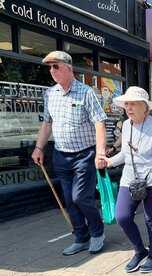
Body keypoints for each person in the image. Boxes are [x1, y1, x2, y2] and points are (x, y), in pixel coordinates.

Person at [31, 51, 107, 256]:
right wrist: (39, 148)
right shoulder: (50, 94)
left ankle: (97, 232)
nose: (52, 71)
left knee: (81, 196)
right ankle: (81, 238)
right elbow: (47, 123)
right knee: (69, 199)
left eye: (56, 66)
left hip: (85, 155)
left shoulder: (86, 92)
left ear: (69, 68)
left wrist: (100, 153)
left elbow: (99, 122)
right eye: (50, 67)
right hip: (61, 155)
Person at [100, 86, 152, 274]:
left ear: (145, 107)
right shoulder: (127, 125)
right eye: (127, 104)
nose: (129, 108)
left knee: (151, 220)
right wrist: (109, 162)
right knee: (122, 216)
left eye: (133, 104)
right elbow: (125, 153)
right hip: (130, 179)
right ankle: (140, 251)